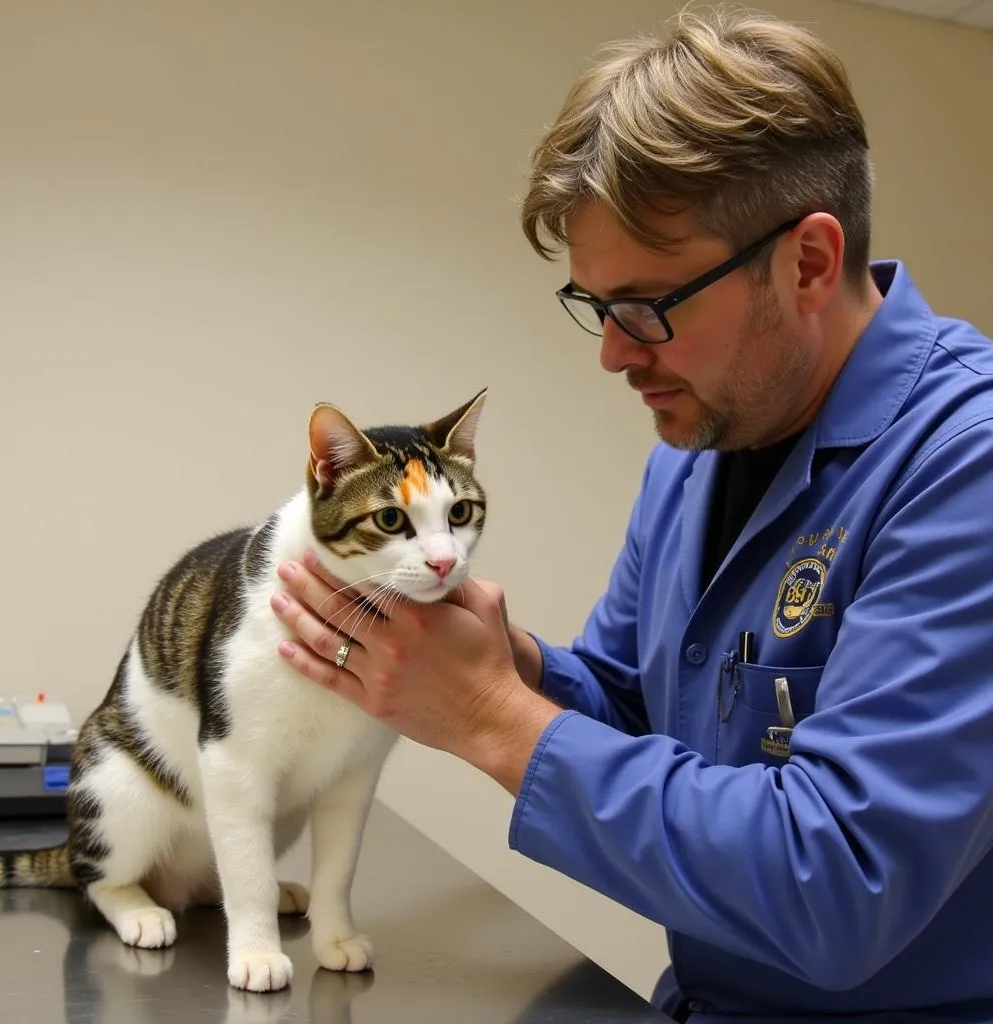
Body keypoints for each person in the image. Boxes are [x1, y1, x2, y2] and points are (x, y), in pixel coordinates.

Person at [268, 7, 993, 1021]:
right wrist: (510, 664)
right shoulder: (702, 444)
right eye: (597, 306)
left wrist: (488, 716)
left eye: (649, 305)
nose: (613, 353)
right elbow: (639, 708)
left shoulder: (967, 464)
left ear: (810, 263)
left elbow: (839, 883)